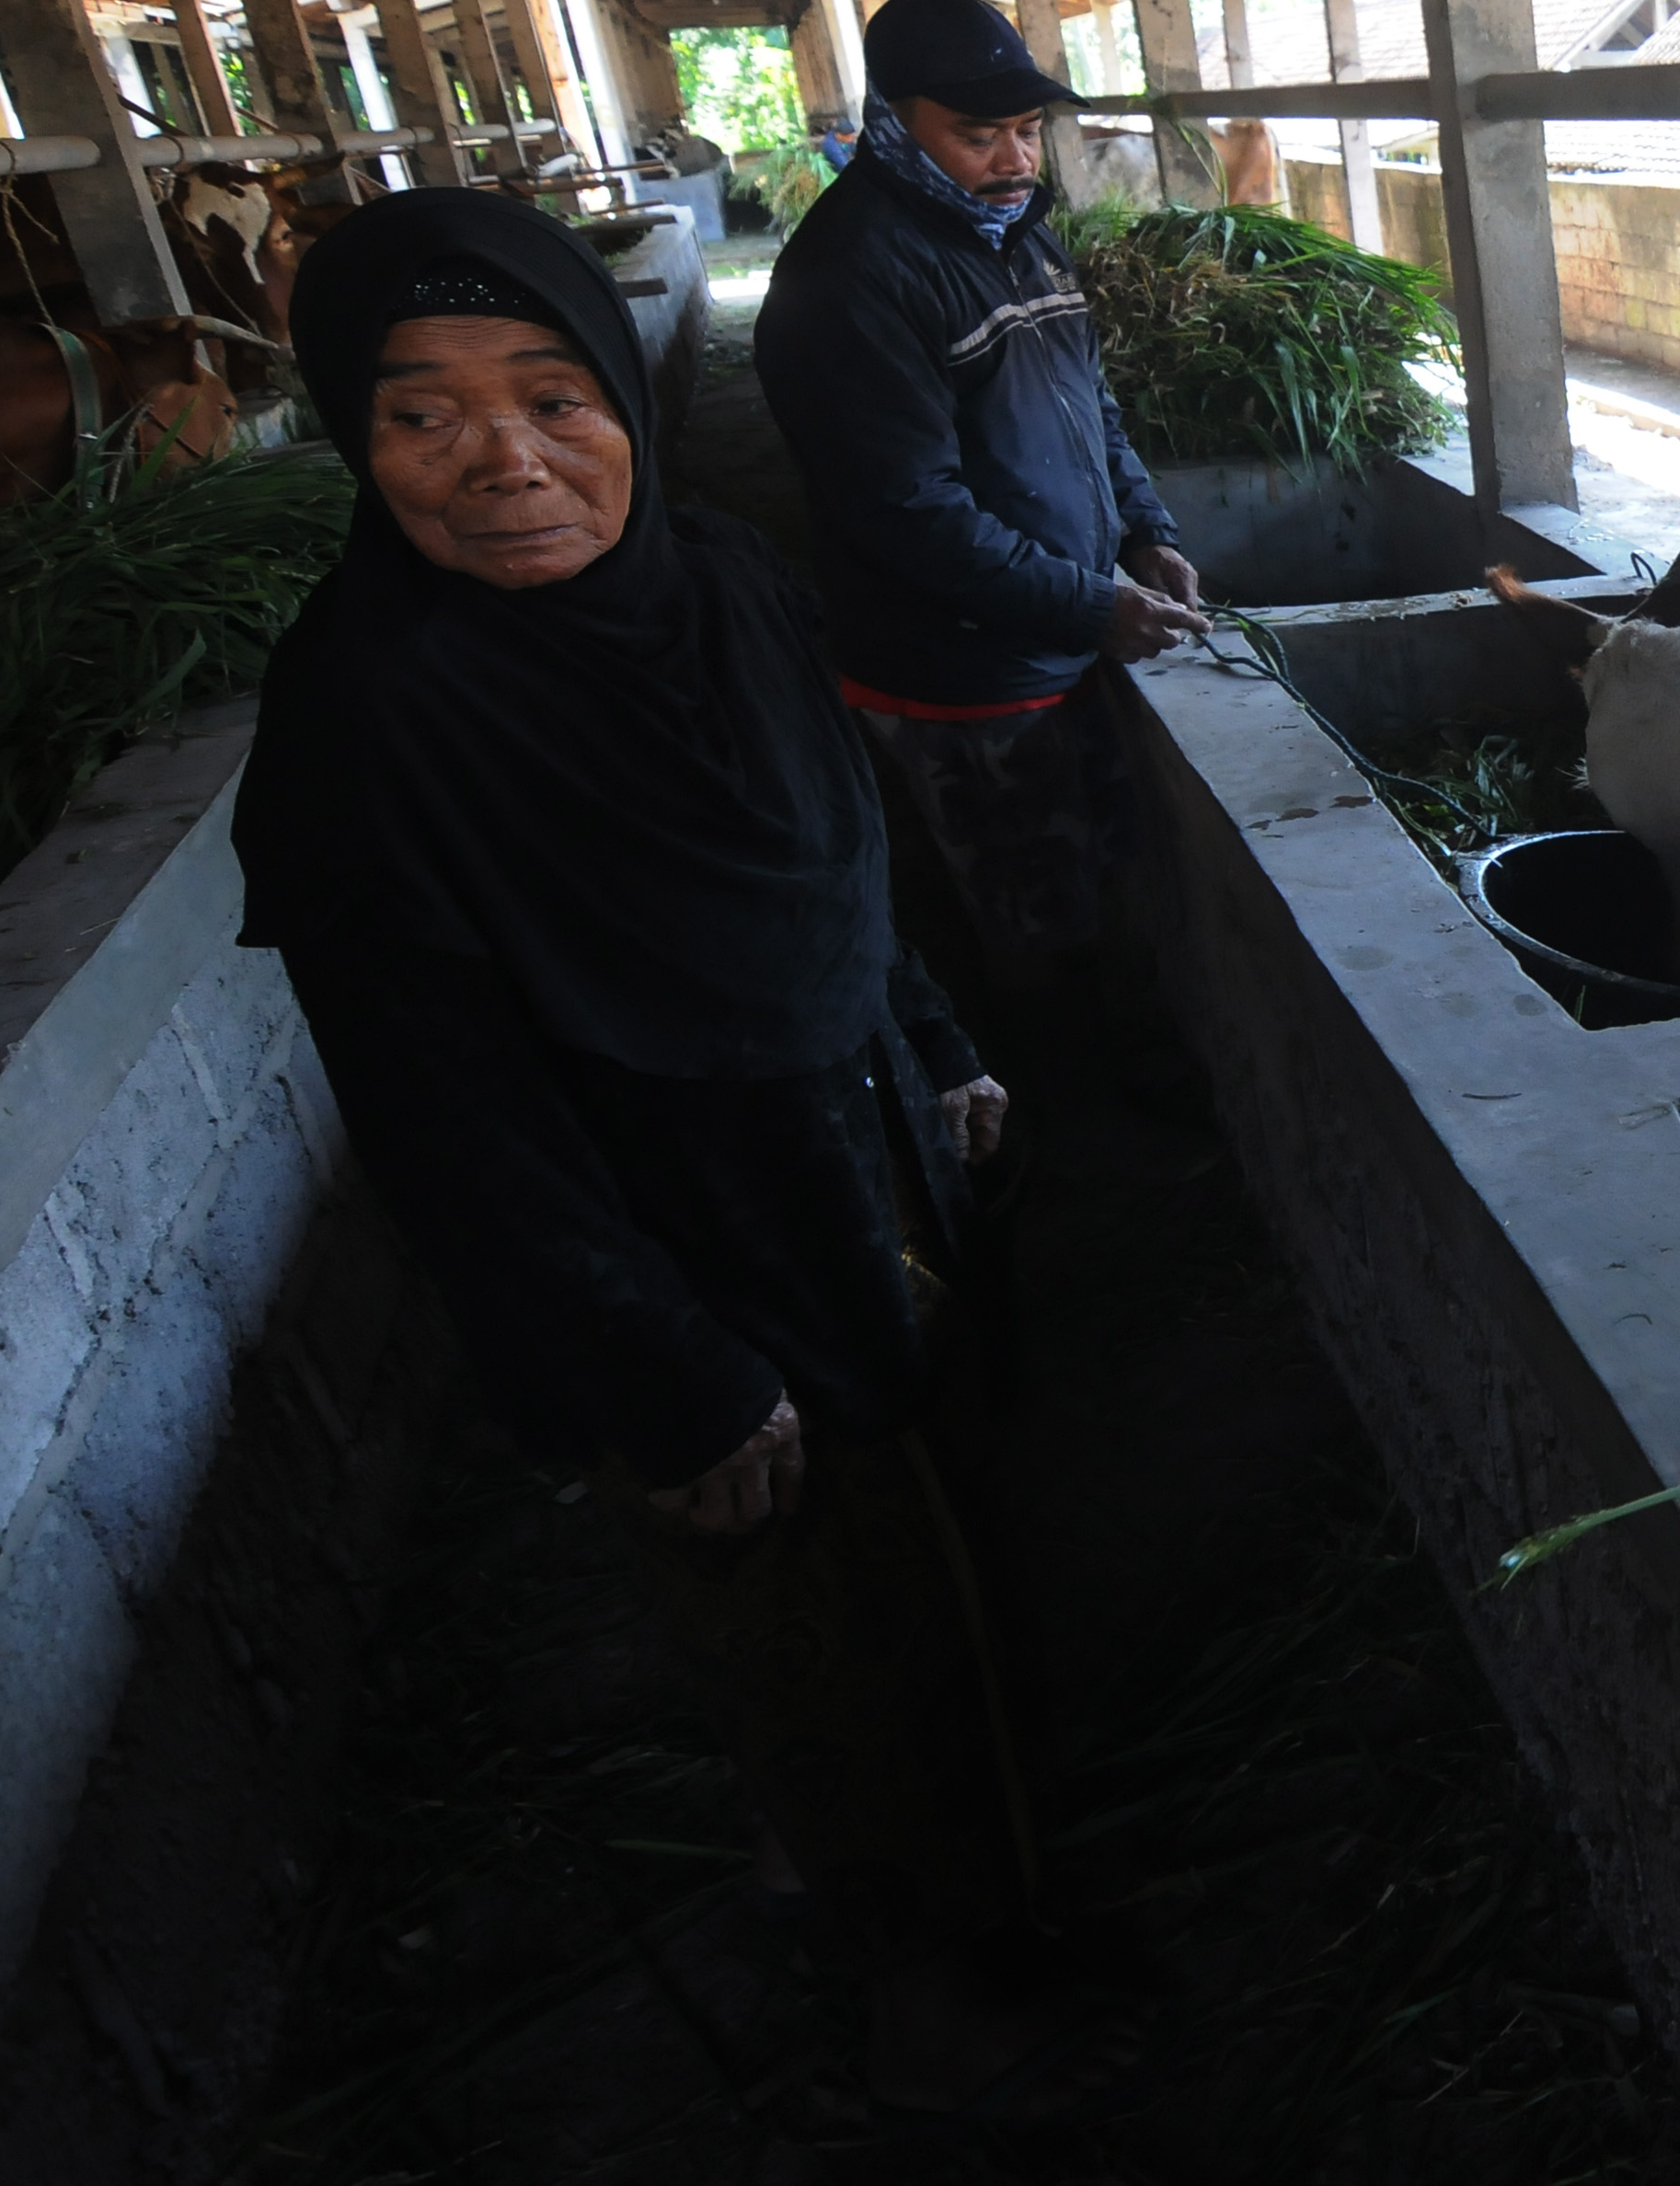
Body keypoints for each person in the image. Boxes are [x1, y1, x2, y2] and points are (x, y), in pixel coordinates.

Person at [232, 188, 1071, 2114]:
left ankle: (985, 1862)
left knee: (941, 1535)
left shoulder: (734, 582)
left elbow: (849, 845)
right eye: (419, 415)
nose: (502, 459)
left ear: (619, 387)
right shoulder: (368, 719)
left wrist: (933, 1039)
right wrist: (661, 1371)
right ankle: (917, 1988)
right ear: (354, 444)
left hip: (867, 1155)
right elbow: (440, 1113)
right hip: (676, 1260)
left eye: (548, 390)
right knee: (796, 1618)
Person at [754, 0, 1208, 995]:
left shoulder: (1019, 233)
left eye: (1026, 130)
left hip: (1057, 628)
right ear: (893, 122)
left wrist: (1144, 531)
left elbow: (1093, 408)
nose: (1014, 159)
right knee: (1031, 914)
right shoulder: (846, 279)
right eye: (978, 134)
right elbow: (907, 510)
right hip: (957, 676)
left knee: (1100, 880)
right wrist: (1091, 602)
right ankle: (1066, 1123)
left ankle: (1125, 1081)